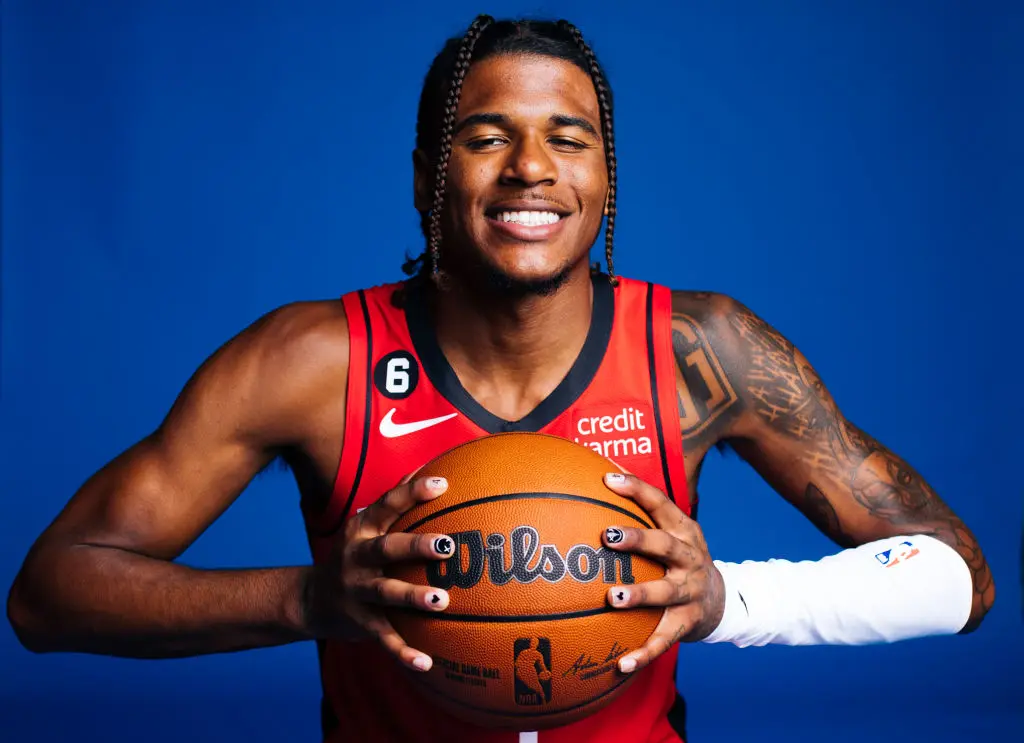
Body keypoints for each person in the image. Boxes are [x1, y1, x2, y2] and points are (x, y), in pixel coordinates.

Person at [6, 15, 994, 743]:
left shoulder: (702, 350)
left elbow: (958, 574)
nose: (531, 166)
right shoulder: (314, 361)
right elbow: (48, 597)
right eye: (487, 136)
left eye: (568, 137)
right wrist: (310, 597)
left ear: (604, 177)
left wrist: (726, 599)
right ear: (426, 176)